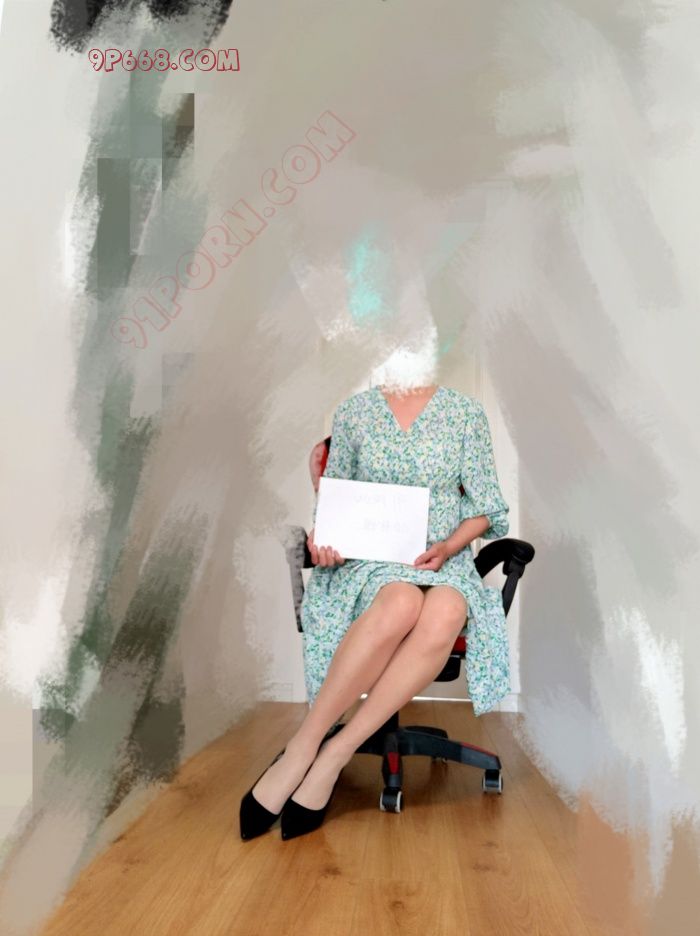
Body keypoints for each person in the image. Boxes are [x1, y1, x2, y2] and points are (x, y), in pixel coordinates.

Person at [240, 382, 511, 841]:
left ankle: (335, 753)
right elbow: (333, 505)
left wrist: (448, 547)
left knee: (446, 610)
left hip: (441, 559)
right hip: (369, 562)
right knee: (402, 601)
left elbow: (487, 509)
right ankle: (303, 746)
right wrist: (323, 542)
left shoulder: (466, 414)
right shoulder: (354, 412)